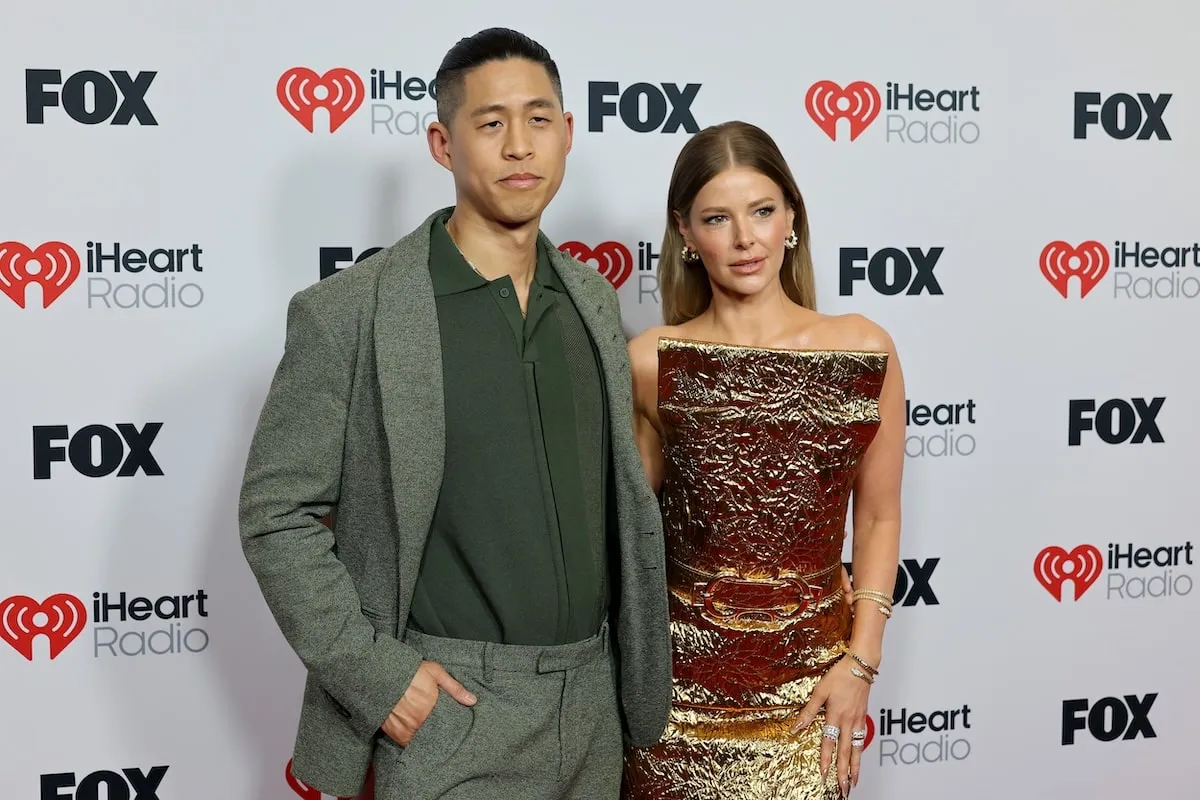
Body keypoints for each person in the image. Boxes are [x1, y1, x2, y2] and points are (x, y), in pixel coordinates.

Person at [238, 28, 671, 800]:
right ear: (444, 144)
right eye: (490, 122)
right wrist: (377, 677)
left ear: (568, 135)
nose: (518, 147)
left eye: (539, 120)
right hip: (454, 710)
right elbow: (276, 515)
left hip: (595, 704)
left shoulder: (594, 302)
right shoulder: (350, 314)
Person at [621, 121, 905, 800]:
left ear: (791, 219)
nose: (745, 239)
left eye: (762, 211)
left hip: (813, 688)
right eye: (718, 218)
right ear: (687, 234)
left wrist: (860, 664)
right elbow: (626, 536)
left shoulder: (863, 350)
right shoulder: (651, 362)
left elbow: (878, 520)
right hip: (676, 697)